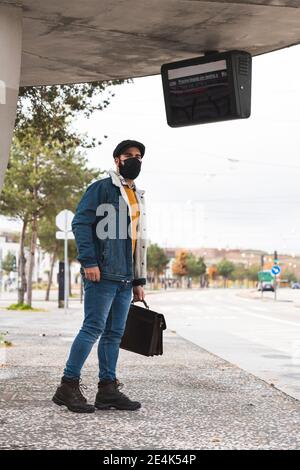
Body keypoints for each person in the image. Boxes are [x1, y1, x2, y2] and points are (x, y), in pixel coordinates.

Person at [52, 140, 147, 413]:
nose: (134, 159)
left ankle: (108, 390)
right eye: (128, 155)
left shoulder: (137, 194)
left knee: (114, 334)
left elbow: (138, 240)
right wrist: (89, 261)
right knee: (92, 329)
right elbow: (80, 223)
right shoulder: (101, 188)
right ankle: (67, 386)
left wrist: (139, 280)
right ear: (117, 159)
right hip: (101, 274)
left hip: (126, 277)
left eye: (139, 156)